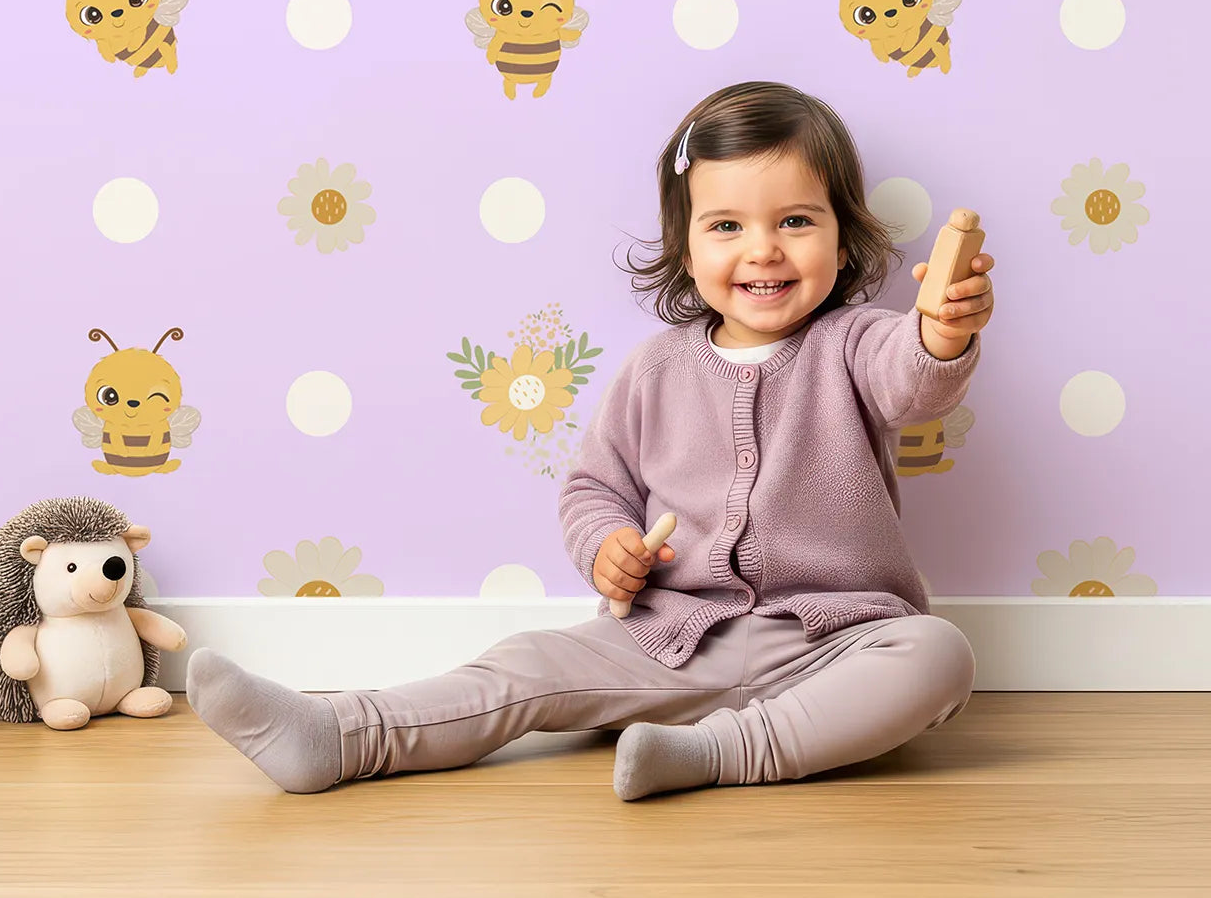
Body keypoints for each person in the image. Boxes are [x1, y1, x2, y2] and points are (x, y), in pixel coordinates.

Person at [185, 81, 995, 800]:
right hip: (669, 640)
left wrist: (941, 332)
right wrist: (609, 544)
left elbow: (915, 380)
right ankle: (338, 736)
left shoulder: (857, 342)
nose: (763, 249)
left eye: (795, 220)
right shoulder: (656, 369)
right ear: (686, 245)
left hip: (832, 643)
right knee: (524, 664)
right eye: (725, 225)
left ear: (842, 239)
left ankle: (721, 754)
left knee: (937, 653)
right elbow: (593, 489)